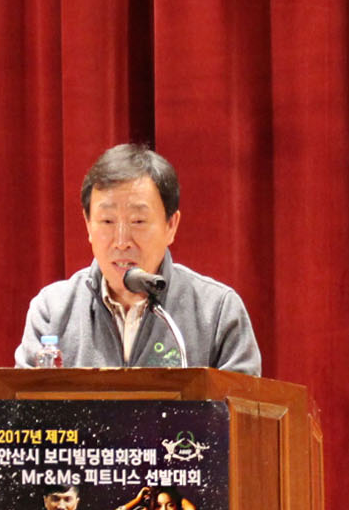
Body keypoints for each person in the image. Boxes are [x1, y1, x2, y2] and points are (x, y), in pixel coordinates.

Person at [15, 144, 262, 374]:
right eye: (107, 221)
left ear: (171, 226)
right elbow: (21, 403)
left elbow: (243, 404)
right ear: (88, 225)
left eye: (138, 221)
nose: (122, 241)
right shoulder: (53, 310)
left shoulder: (217, 311)